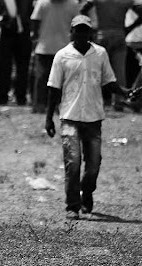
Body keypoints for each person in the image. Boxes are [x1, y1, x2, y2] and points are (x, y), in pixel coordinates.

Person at [45, 15, 131, 219]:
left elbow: (109, 82)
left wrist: (125, 92)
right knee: (73, 162)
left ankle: (87, 192)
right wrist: (49, 118)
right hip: (69, 116)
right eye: (78, 30)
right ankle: (72, 206)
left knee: (93, 164)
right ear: (71, 32)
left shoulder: (100, 54)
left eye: (85, 31)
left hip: (94, 117)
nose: (82, 34)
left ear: (90, 33)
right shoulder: (62, 56)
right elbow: (54, 89)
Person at [80, 0, 142, 111]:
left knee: (95, 70)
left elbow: (83, 9)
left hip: (101, 34)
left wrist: (90, 27)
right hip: (119, 34)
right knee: (119, 72)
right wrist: (129, 28)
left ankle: (92, 101)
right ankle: (118, 103)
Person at [30, 0, 80, 114]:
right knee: (47, 78)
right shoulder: (43, 3)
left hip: (59, 48)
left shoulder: (72, 4)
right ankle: (41, 105)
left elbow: (34, 24)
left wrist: (34, 38)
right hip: (46, 47)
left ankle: (50, 105)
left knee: (45, 78)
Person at [0, 0, 32, 105]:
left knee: (19, 67)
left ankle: (17, 96)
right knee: (6, 67)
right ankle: (9, 96)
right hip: (10, 32)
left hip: (21, 33)